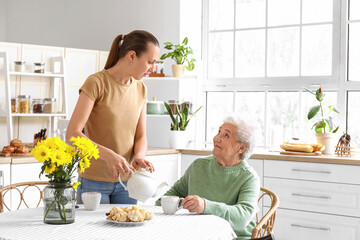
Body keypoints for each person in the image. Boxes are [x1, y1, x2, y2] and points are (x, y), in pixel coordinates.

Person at [66, 30, 160, 204]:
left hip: (129, 182)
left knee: (127, 230)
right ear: (132, 55)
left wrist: (139, 156)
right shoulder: (96, 83)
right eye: (150, 62)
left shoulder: (141, 89)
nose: (152, 69)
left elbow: (141, 136)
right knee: (91, 232)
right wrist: (108, 155)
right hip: (93, 182)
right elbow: (72, 134)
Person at [156, 115, 260, 239]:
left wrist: (205, 206)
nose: (216, 138)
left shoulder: (249, 177)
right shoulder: (198, 166)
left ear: (241, 148)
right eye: (219, 132)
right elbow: (167, 198)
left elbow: (242, 217)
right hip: (196, 234)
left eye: (226, 135)